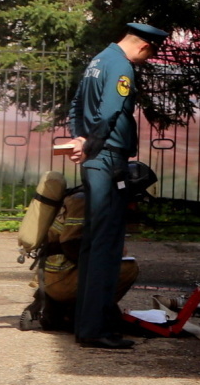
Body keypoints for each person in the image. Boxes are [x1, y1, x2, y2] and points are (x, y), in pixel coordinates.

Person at [62, 20, 166, 350]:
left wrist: (79, 139)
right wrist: (91, 143)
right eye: (148, 57)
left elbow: (76, 104)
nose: (144, 62)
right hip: (108, 158)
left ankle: (86, 323)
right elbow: (110, 111)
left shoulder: (99, 60)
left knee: (94, 243)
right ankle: (97, 329)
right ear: (144, 47)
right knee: (107, 246)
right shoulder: (121, 66)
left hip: (96, 158)